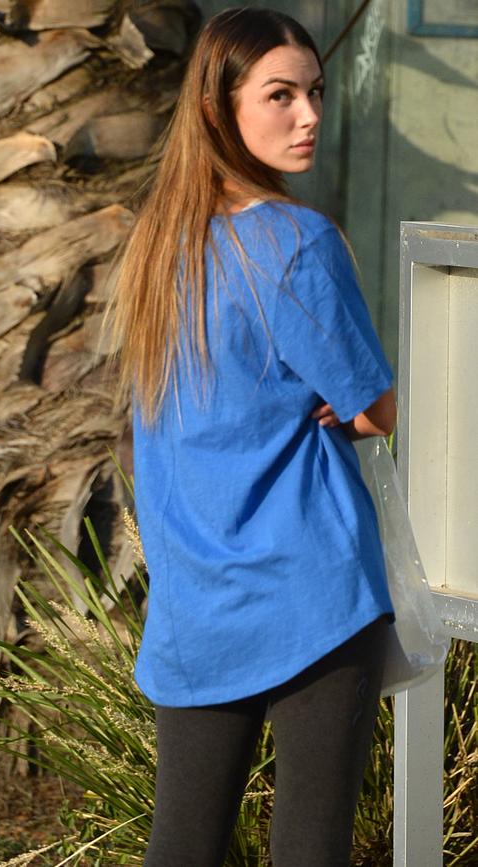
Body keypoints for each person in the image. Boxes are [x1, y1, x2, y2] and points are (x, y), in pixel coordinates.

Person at [109, 7, 397, 866]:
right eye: (281, 95)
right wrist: (345, 402)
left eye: (314, 91)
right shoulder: (296, 242)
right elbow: (375, 409)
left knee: (182, 847)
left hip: (196, 599)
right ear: (217, 106)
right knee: (310, 848)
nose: (309, 114)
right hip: (315, 594)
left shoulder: (156, 246)